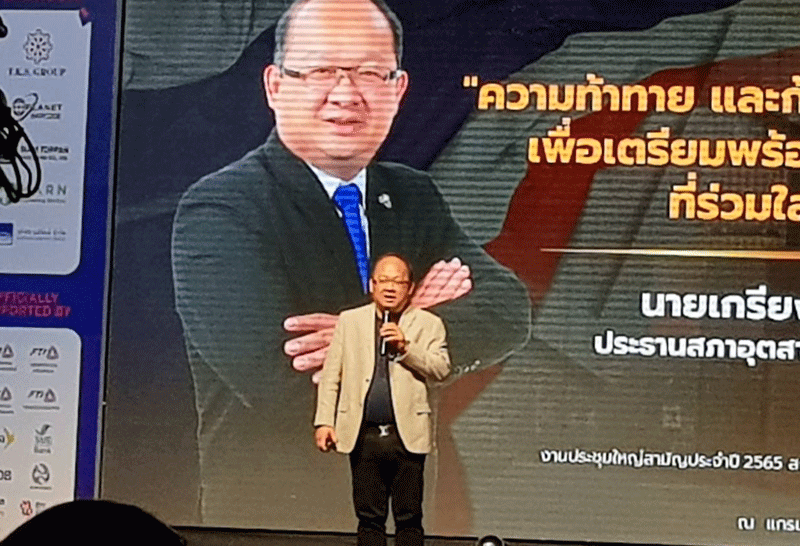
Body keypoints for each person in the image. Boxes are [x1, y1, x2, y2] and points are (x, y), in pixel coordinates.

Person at [171, 0, 530, 527]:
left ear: (398, 90)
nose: (345, 93)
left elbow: (508, 310)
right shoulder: (221, 210)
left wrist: (363, 335)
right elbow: (282, 383)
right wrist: (416, 318)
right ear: (275, 86)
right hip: (277, 528)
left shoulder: (412, 194)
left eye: (369, 73)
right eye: (321, 70)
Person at [315, 253, 449, 546]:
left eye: (398, 282)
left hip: (407, 435)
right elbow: (331, 375)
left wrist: (405, 347)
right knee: (369, 519)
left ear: (410, 288)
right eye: (384, 280)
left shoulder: (429, 324)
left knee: (409, 518)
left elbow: (441, 369)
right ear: (372, 285)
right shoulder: (350, 321)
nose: (390, 287)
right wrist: (324, 421)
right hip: (363, 435)